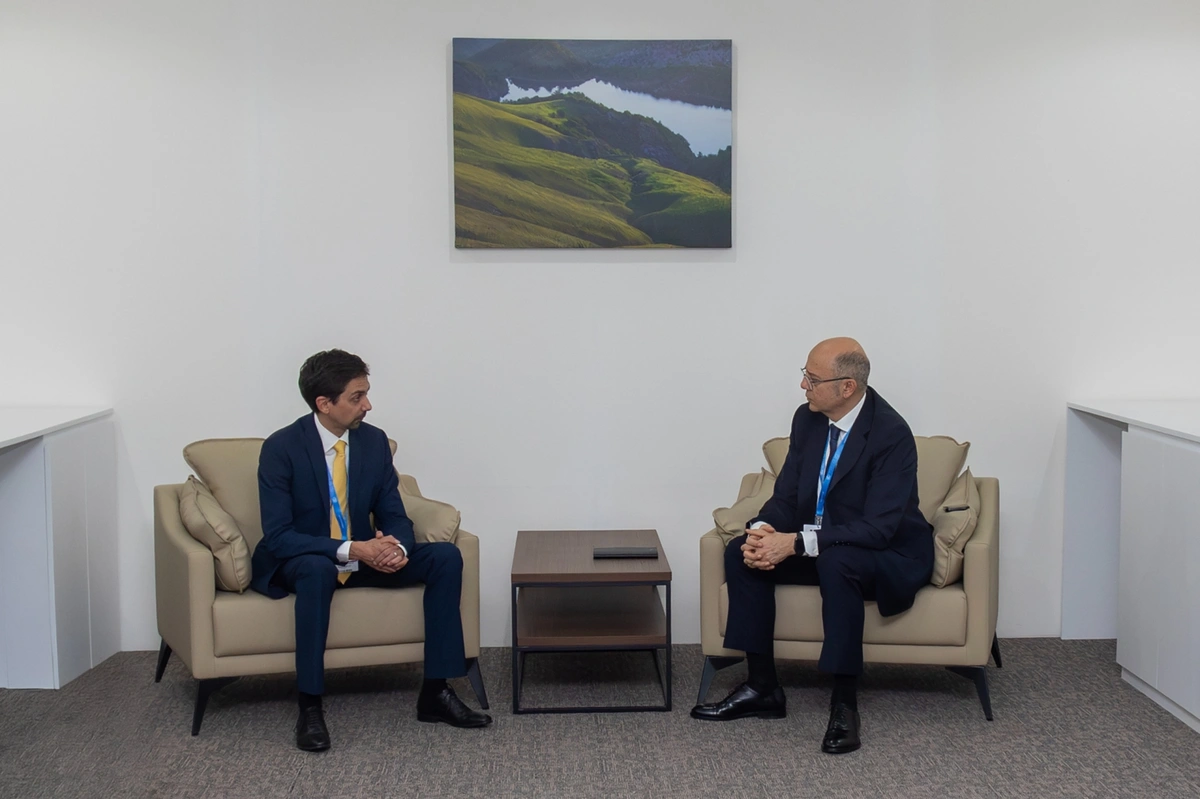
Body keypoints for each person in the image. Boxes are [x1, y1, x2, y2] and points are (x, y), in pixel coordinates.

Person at [690, 337, 933, 754]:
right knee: (741, 553)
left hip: (885, 554)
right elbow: (787, 495)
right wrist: (763, 530)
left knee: (837, 562)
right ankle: (762, 688)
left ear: (847, 387)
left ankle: (845, 704)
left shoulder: (891, 434)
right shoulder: (808, 420)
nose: (803, 386)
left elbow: (877, 529)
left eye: (813, 379)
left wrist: (797, 543)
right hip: (824, 545)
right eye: (805, 375)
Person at [252, 349, 491, 752]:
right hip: (308, 559)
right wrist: (352, 549)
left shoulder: (374, 442)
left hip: (364, 555)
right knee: (316, 570)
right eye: (357, 396)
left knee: (446, 557)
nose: (368, 405)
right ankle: (310, 705)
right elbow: (279, 536)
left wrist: (395, 547)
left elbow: (395, 513)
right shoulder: (282, 448)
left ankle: (435, 692)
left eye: (366, 394)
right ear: (324, 403)